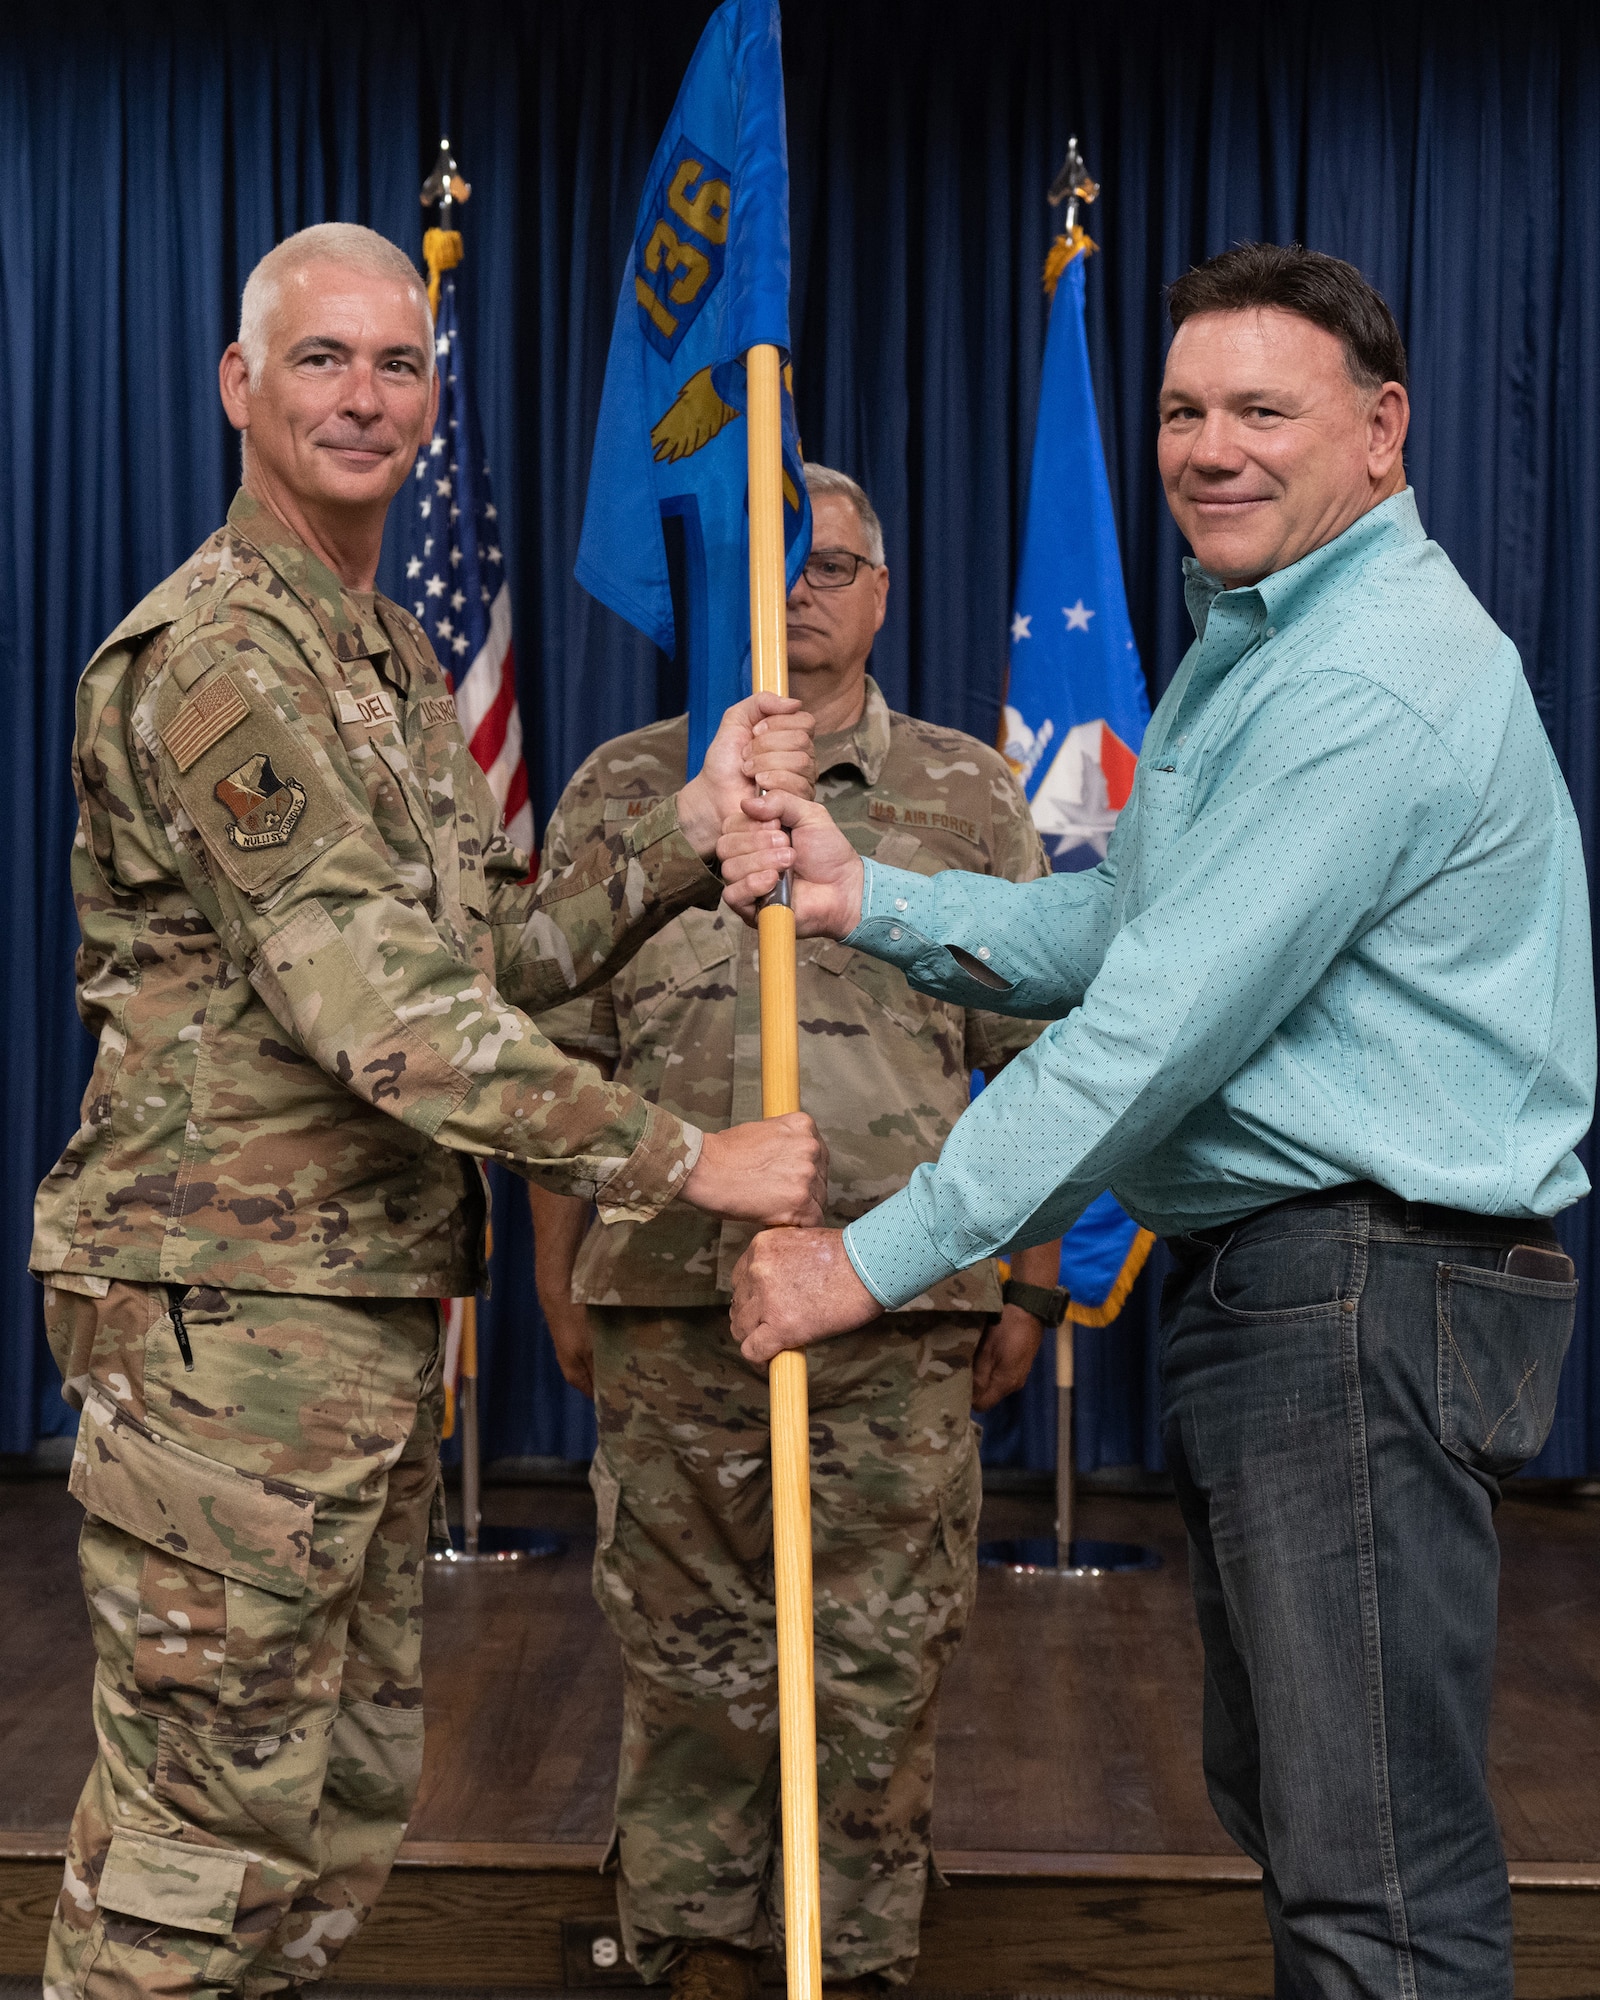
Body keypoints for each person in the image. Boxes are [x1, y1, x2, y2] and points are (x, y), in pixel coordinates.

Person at [717, 247, 1595, 2000]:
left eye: (1265, 410)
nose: (1211, 447)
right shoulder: (1261, 642)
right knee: (1307, 1818)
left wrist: (865, 1267)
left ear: (1385, 431)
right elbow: (1131, 932)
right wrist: (861, 894)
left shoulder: (1366, 679)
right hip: (1306, 1294)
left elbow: (1143, 1037)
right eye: (1187, 410)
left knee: (1376, 1877)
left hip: (1364, 1295)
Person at [32, 222, 828, 2000]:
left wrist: (682, 841)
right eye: (322, 359)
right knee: (200, 1836)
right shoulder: (223, 658)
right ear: (240, 386)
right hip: (223, 1326)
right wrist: (691, 1162)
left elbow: (494, 958)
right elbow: (380, 1022)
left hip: (356, 1317)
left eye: (398, 365)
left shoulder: (383, 660)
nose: (367, 398)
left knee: (326, 1811)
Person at [529, 464, 1062, 1996]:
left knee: (878, 1668)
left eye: (831, 566)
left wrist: (1027, 1284)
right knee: (688, 1667)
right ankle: (691, 1951)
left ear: (882, 592)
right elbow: (552, 1054)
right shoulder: (631, 793)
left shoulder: (966, 793)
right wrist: (565, 1273)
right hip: (670, 1302)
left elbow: (1039, 1059)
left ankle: (864, 1957)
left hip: (900, 1313)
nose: (801, 594)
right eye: (772, 566)